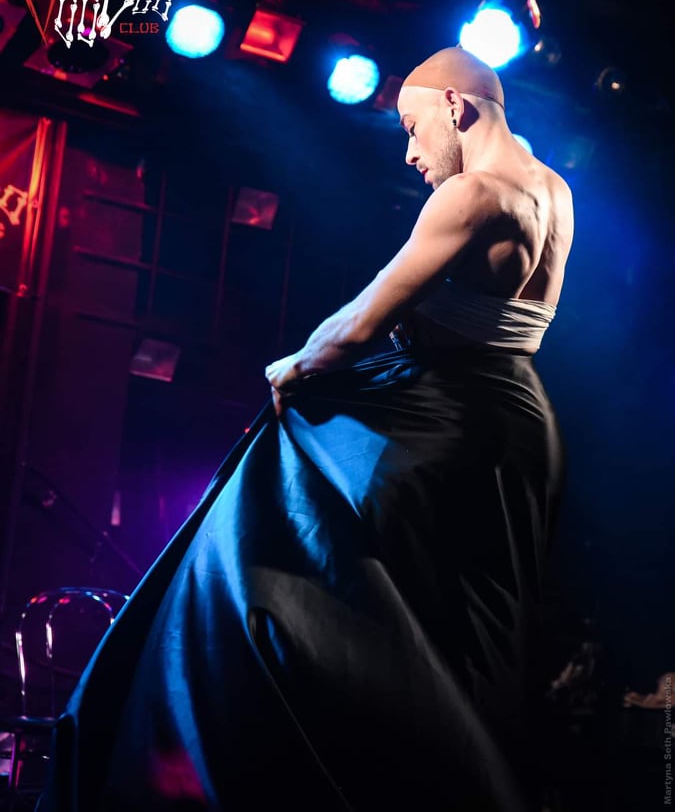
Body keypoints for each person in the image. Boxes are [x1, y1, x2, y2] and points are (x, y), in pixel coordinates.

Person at [39, 47, 573, 812]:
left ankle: (224, 749)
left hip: (442, 420)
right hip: (520, 423)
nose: (410, 153)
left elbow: (360, 323)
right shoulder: (553, 188)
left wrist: (289, 367)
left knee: (282, 547)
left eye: (413, 128)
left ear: (456, 108)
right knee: (472, 642)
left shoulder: (471, 194)